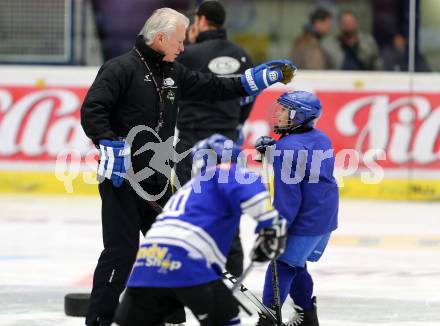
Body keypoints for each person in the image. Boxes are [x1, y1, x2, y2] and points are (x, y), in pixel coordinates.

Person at [80, 7, 296, 326]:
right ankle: (99, 320)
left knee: (168, 247)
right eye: (179, 41)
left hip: (156, 178)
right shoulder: (120, 68)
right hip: (122, 179)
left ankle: (169, 316)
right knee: (121, 253)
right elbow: (93, 110)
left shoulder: (173, 71)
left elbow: (214, 87)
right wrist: (107, 141)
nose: (183, 47)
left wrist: (257, 79)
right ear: (161, 37)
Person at [113, 134, 287, 326]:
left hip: (146, 266)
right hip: (190, 263)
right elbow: (251, 191)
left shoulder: (188, 189)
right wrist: (271, 228)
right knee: (227, 320)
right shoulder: (226, 172)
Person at [175, 0, 255, 277]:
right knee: (228, 214)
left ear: (201, 20)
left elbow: (172, 97)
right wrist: (235, 123)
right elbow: (248, 97)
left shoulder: (188, 55)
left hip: (191, 145)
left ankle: (189, 277)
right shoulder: (242, 55)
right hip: (227, 145)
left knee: (190, 212)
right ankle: (232, 282)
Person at [254, 91, 339, 326]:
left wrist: (274, 228)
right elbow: (304, 166)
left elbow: (288, 200)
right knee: (295, 263)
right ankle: (307, 315)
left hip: (305, 220)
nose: (278, 114)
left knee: (280, 264)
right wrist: (274, 154)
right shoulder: (321, 137)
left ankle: (268, 319)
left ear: (299, 115)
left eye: (284, 110)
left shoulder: (287, 148)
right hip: (325, 217)